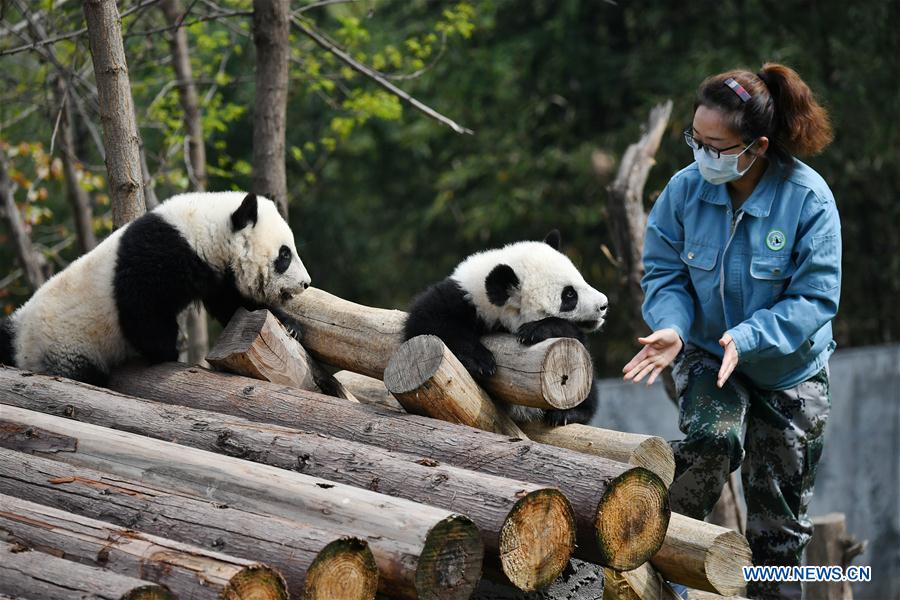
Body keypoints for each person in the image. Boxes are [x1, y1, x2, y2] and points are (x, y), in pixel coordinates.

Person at [622, 63, 841, 600]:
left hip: (789, 371)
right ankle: (644, 568)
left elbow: (816, 298)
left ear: (757, 146)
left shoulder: (808, 200)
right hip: (705, 354)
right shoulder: (683, 192)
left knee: (780, 536)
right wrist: (671, 326)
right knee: (711, 442)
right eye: (695, 139)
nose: (700, 154)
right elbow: (665, 273)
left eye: (714, 145)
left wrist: (747, 337)